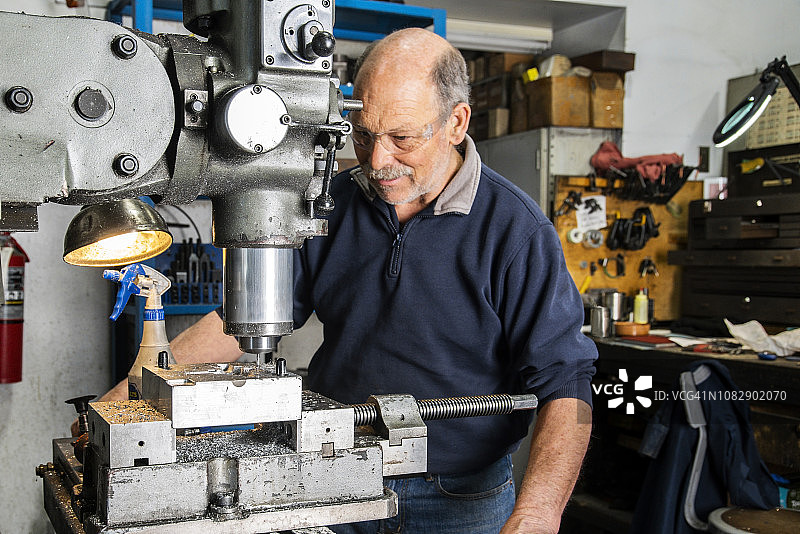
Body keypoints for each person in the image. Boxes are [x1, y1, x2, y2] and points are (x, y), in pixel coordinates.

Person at [90, 28, 596, 534]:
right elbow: (234, 323)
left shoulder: (515, 230)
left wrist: (538, 512)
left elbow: (567, 382)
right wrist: (123, 400)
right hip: (337, 471)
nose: (377, 161)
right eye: (363, 134)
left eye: (402, 137)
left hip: (459, 497)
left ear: (456, 123)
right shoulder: (332, 204)